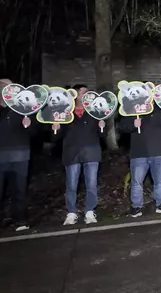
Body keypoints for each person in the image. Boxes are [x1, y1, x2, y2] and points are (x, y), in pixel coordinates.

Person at [52, 84, 105, 225]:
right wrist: (55, 129)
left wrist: (101, 127)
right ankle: (71, 213)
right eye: (82, 93)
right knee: (71, 185)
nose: (85, 95)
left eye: (87, 93)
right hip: (71, 154)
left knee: (91, 184)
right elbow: (55, 138)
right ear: (74, 95)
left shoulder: (95, 111)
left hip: (92, 153)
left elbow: (103, 136)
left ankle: (90, 211)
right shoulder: (65, 112)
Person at [118, 103, 161, 217]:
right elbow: (122, 127)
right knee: (137, 182)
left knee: (159, 181)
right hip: (139, 153)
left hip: (158, 152)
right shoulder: (132, 110)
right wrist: (133, 124)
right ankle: (136, 207)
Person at [0, 78, 38, 231]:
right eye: (3, 87)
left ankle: (20, 220)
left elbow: (35, 132)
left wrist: (29, 126)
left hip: (21, 155)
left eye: (11, 87)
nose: (7, 90)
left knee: (19, 190)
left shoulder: (25, 108)